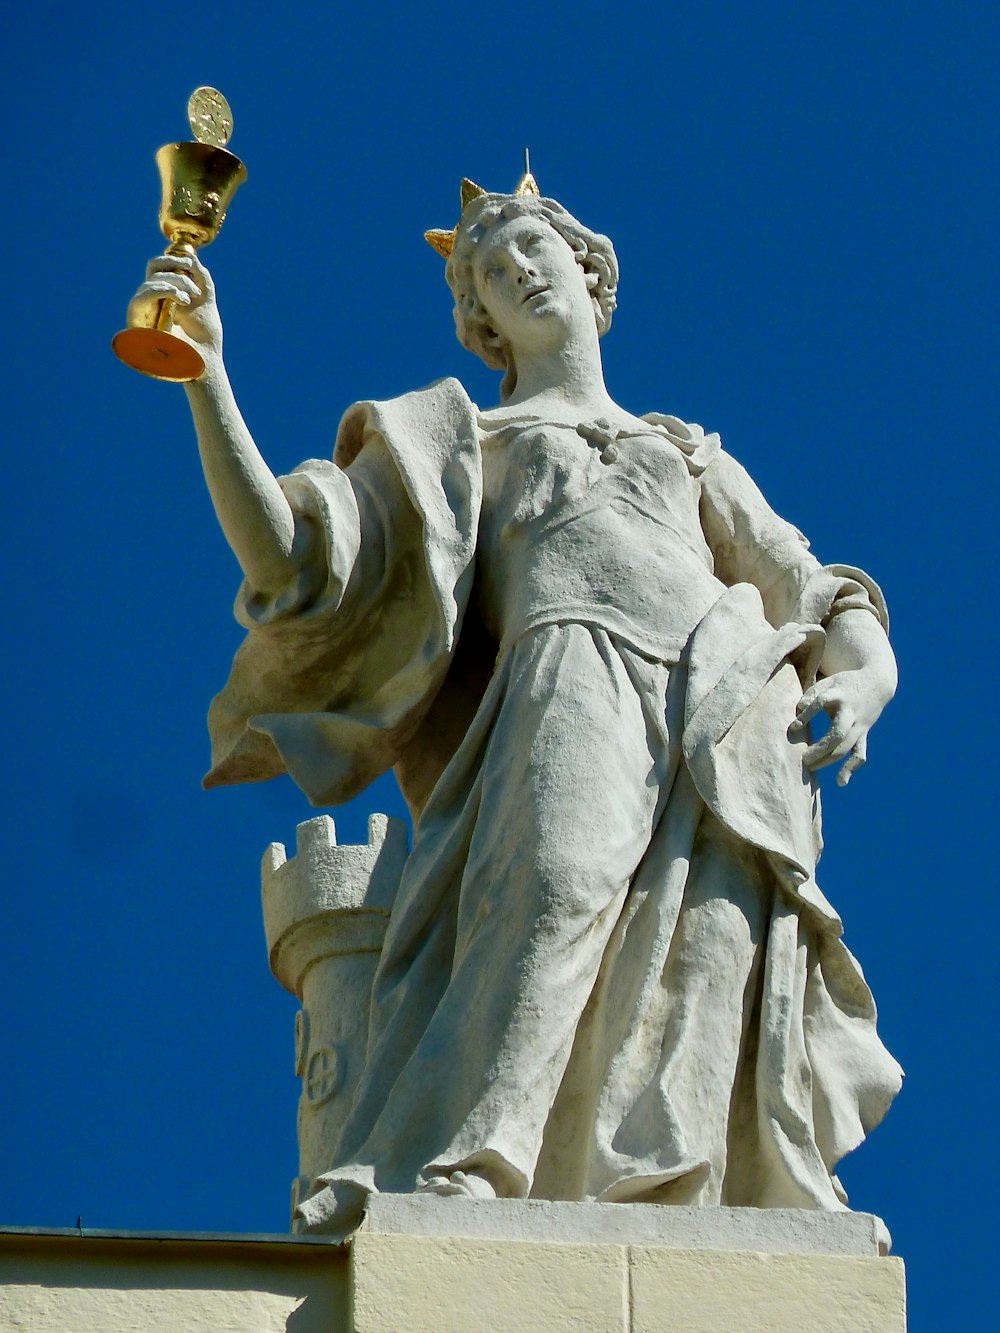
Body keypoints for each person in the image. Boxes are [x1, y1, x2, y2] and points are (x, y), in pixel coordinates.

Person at [129, 168, 901, 1234]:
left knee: (714, 942)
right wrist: (207, 378)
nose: (518, 271)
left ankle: (677, 1187)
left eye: (535, 249)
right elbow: (295, 560)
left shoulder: (678, 448)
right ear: (477, 320)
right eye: (490, 269)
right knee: (551, 887)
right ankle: (468, 1163)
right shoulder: (464, 447)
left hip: (726, 699)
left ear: (591, 273)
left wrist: (866, 667)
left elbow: (808, 582)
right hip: (569, 676)